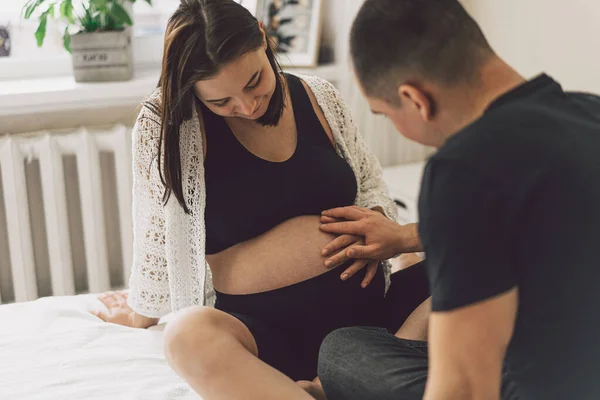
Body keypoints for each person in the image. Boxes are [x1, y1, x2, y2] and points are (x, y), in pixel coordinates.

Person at [91, 0, 430, 399]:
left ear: (261, 34)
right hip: (265, 334)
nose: (248, 106)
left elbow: (370, 184)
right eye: (222, 102)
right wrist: (141, 311)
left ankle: (346, 378)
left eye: (254, 82)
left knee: (478, 258)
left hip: (372, 322)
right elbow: (157, 234)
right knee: (185, 335)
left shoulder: (319, 96)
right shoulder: (167, 125)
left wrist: (378, 225)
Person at [315, 0, 600, 399]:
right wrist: (406, 238)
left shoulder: (464, 169)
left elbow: (464, 387)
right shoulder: (590, 111)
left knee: (341, 352)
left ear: (415, 99)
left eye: (384, 114)